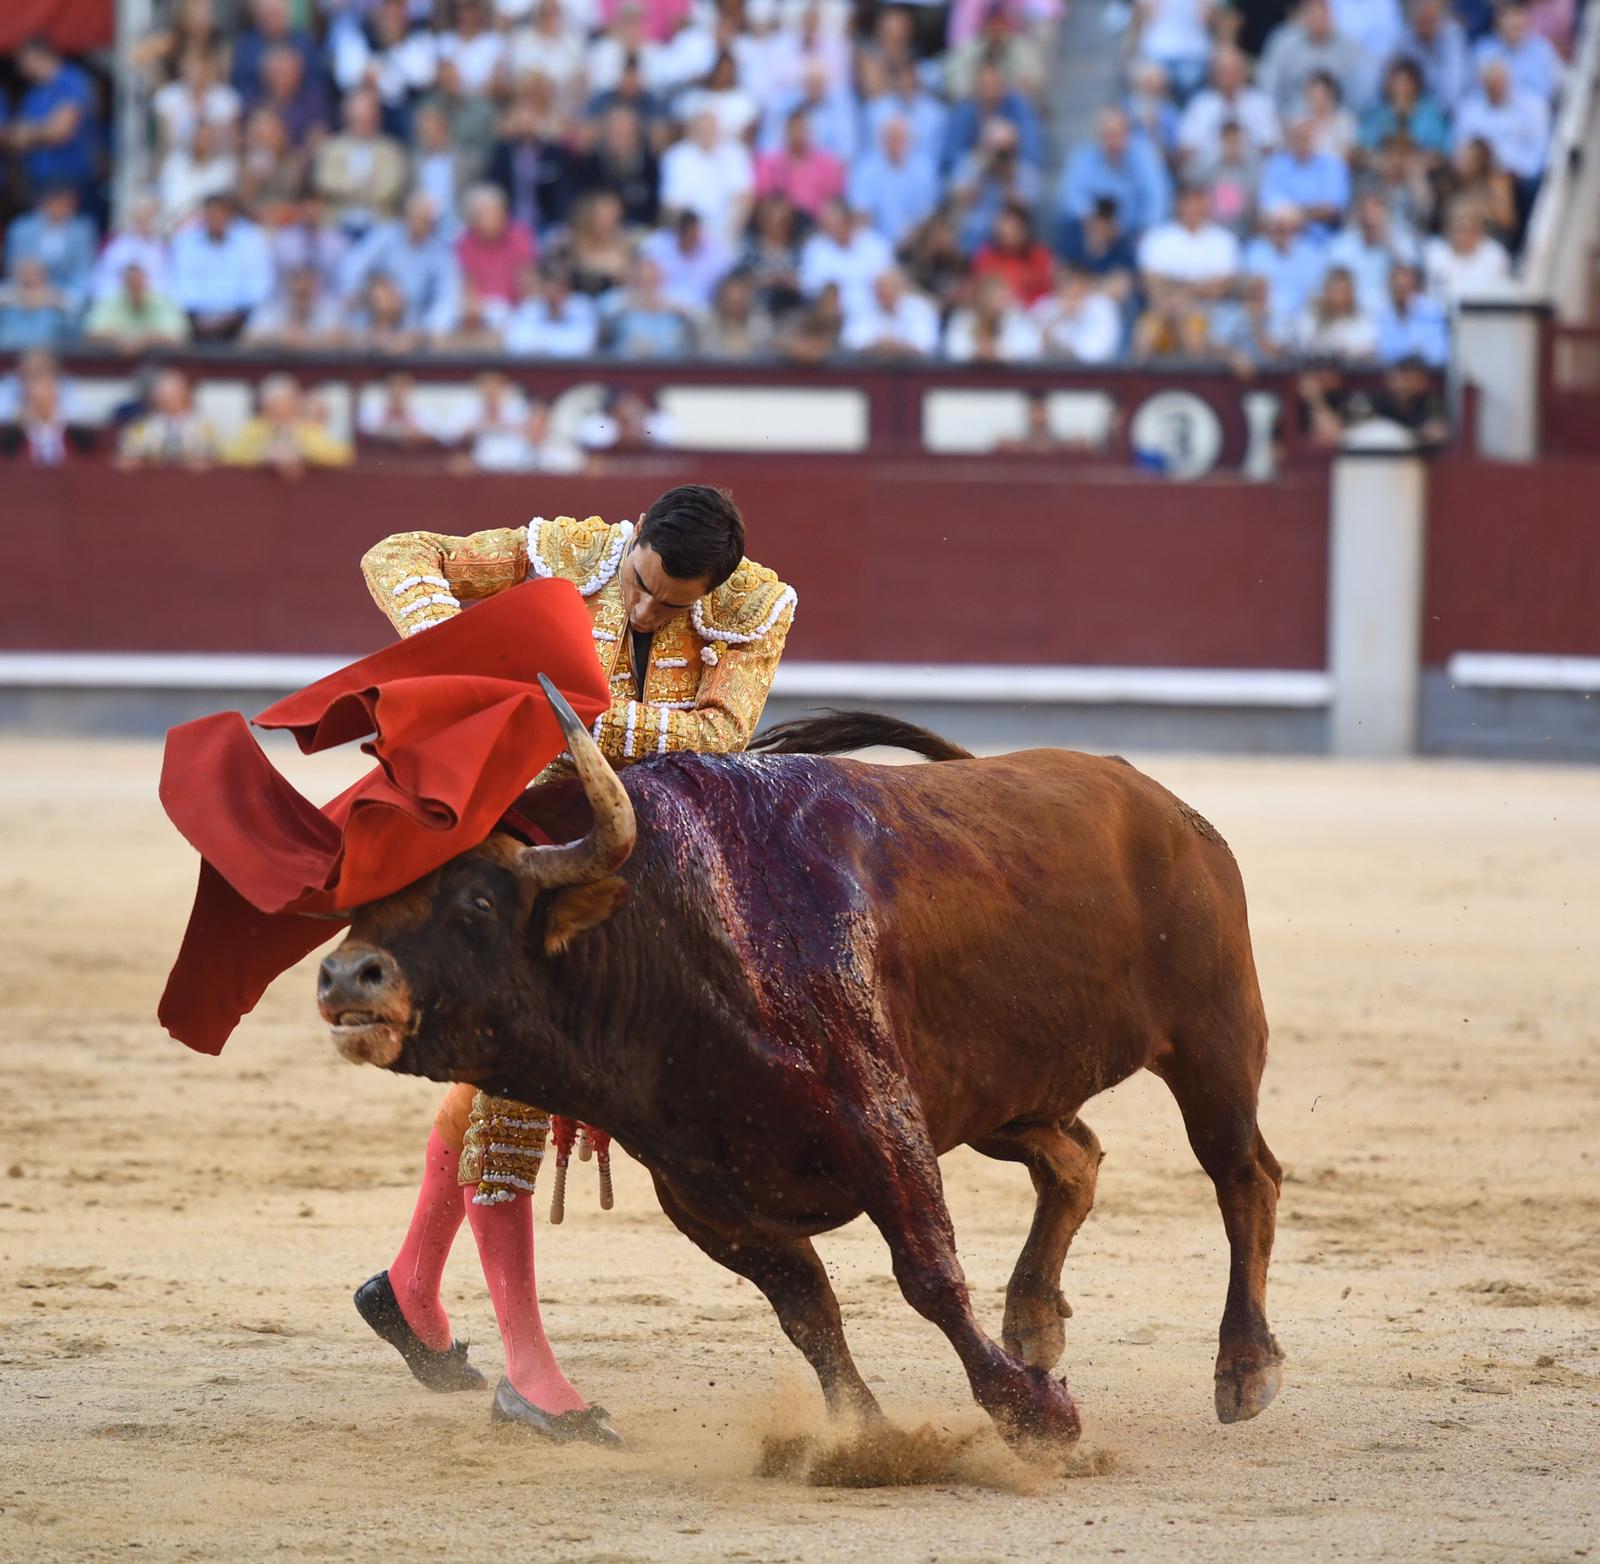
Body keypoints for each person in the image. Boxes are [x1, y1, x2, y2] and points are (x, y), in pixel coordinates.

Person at [355, 489, 796, 1443]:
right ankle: (530, 1373)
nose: (644, 611)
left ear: (711, 589)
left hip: (639, 878)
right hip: (520, 857)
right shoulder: (566, 552)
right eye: (640, 586)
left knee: (503, 1078)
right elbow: (398, 549)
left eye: (672, 605)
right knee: (517, 1077)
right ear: (631, 545)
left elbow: (725, 736)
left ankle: (411, 1288)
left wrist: (571, 716)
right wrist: (458, 651)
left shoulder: (759, 606)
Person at [223, 374, 354, 475]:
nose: (280, 408)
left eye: (285, 401)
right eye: (275, 402)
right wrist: (263, 454)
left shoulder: (307, 428)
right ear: (265, 405)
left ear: (295, 404)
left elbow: (343, 455)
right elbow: (228, 454)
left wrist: (302, 453)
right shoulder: (255, 428)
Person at [116, 367, 217, 468]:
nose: (166, 396)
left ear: (186, 392)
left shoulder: (204, 428)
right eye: (162, 391)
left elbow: (208, 461)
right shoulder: (140, 428)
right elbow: (126, 460)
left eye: (173, 390)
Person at [84, 262, 192, 350]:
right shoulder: (109, 302)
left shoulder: (163, 302)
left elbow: (179, 336)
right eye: (131, 282)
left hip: (159, 364)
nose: (135, 286)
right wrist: (120, 342)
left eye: (138, 282)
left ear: (146, 282)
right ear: (122, 283)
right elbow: (91, 333)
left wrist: (144, 341)